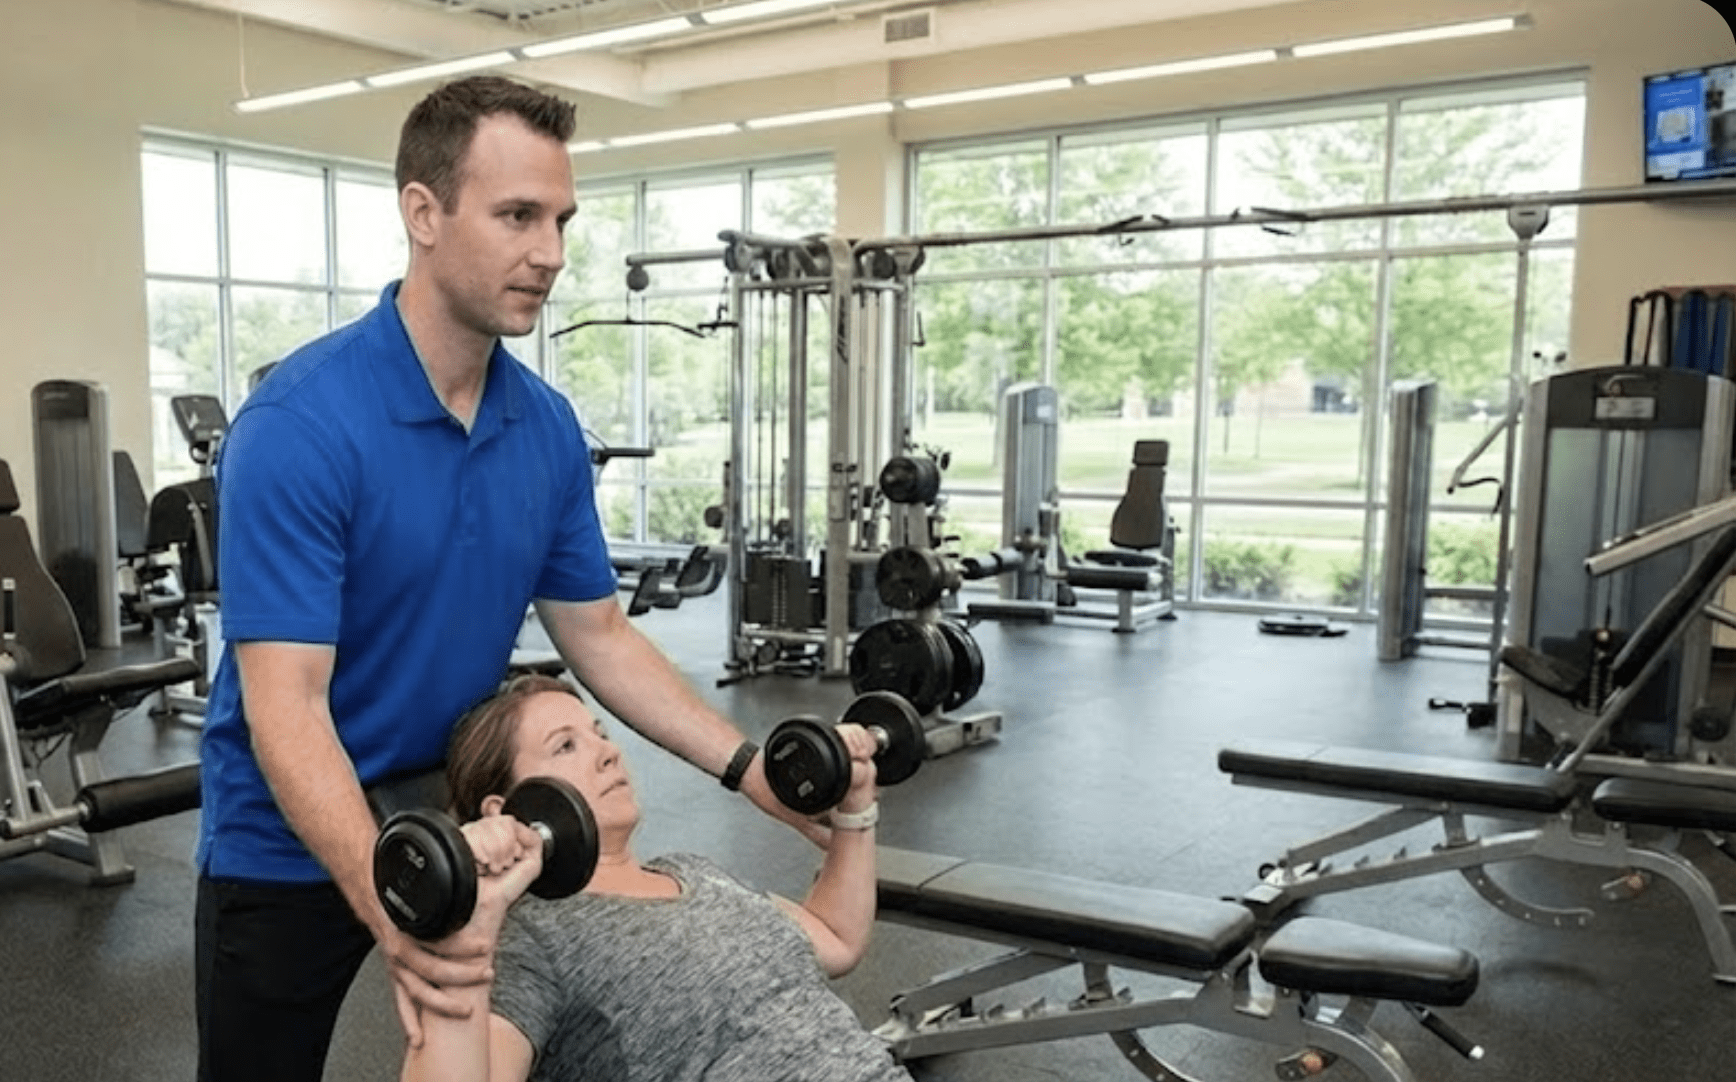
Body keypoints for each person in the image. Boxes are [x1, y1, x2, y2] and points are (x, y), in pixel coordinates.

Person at [195, 75, 815, 1082]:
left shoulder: (545, 426)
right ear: (423, 213)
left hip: (464, 805)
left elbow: (598, 634)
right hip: (288, 828)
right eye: (518, 215)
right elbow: (287, 707)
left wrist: (748, 767)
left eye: (561, 219)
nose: (552, 252)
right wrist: (390, 906)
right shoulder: (299, 427)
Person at [401, 674, 912, 1082]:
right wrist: (465, 938)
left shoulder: (692, 871)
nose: (608, 752)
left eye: (599, 734)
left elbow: (836, 938)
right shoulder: (529, 940)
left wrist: (855, 806)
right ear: (502, 810)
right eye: (566, 747)